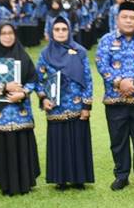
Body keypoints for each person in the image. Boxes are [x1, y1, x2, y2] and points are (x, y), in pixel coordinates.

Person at [96, 1, 134, 191]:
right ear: (117, 20)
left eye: (133, 17)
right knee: (118, 139)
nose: (129, 21)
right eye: (125, 17)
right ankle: (121, 175)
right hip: (115, 99)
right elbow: (101, 64)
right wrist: (119, 82)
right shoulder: (107, 40)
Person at [0, 23, 40, 195]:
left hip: (21, 111)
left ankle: (25, 182)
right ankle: (6, 183)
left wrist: (23, 93)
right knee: (3, 144)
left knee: (21, 143)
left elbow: (33, 80)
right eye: (3, 33)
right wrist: (4, 87)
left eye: (10, 33)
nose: (7, 36)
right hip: (0, 113)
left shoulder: (23, 56)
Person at [37, 17, 94, 190]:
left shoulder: (80, 51)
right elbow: (38, 80)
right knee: (59, 141)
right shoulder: (45, 54)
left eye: (64, 29)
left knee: (78, 140)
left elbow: (88, 80)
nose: (61, 32)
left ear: (69, 31)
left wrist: (86, 106)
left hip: (77, 105)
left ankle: (79, 178)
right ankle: (60, 178)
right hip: (55, 107)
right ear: (51, 32)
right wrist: (43, 98)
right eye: (57, 29)